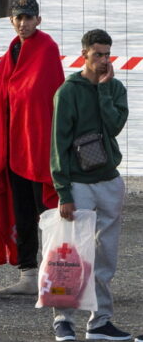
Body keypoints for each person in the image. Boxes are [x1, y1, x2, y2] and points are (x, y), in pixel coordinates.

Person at [0, 0, 65, 294]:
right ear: (11, 21)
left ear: (38, 20)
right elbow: (1, 101)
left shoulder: (48, 50)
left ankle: (56, 272)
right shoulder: (11, 53)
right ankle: (29, 275)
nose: (24, 23)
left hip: (40, 148)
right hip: (14, 149)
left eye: (29, 18)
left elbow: (50, 101)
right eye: (19, 18)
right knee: (23, 212)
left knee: (49, 212)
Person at [50, 29, 130, 342]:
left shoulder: (115, 87)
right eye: (97, 54)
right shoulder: (68, 91)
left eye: (107, 54)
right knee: (71, 253)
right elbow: (58, 144)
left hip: (108, 179)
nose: (103, 60)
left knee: (106, 255)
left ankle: (100, 323)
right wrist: (63, 192)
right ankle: (63, 320)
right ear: (84, 54)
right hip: (78, 182)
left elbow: (114, 126)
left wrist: (104, 90)